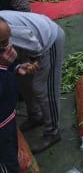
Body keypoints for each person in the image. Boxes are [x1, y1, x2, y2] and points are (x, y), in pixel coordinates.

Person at [0, 10, 63, 152]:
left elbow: (35, 47)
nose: (6, 45)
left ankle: (52, 132)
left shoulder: (10, 34)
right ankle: (36, 115)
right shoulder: (6, 39)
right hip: (25, 45)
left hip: (46, 40)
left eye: (5, 42)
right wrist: (16, 67)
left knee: (42, 88)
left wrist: (33, 63)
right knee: (23, 82)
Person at [1, 16, 41, 173]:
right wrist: (3, 67)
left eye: (8, 41)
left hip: (6, 123)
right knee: (5, 170)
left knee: (12, 159)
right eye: (2, 45)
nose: (7, 47)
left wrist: (15, 67)